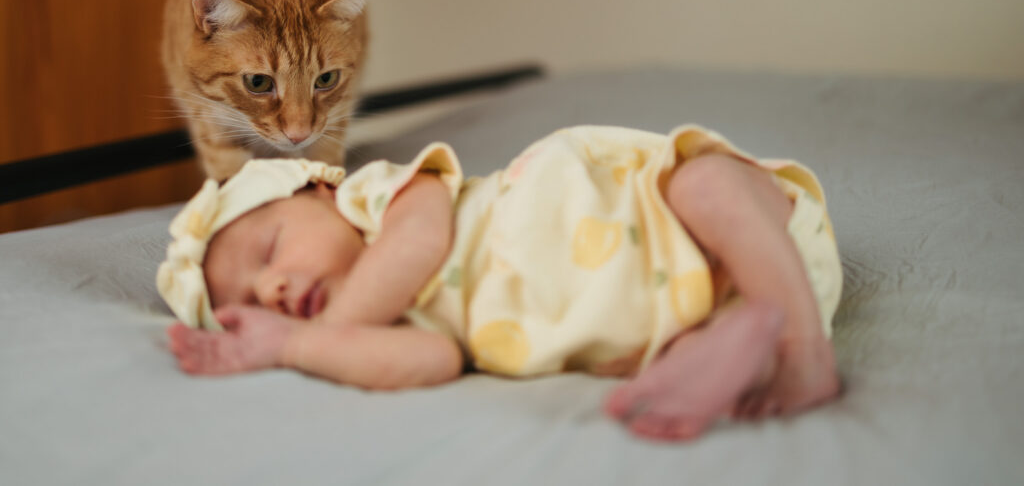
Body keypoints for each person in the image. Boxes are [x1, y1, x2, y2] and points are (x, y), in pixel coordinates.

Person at [157, 124, 842, 441]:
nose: (273, 287)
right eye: (249, 303)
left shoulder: (382, 198)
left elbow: (422, 241)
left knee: (707, 183)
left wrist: (328, 332)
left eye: (270, 248)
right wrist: (291, 348)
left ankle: (802, 346)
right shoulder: (392, 326)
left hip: (684, 217)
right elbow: (433, 361)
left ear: (317, 190)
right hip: (661, 310)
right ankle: (725, 348)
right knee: (679, 341)